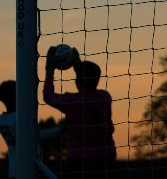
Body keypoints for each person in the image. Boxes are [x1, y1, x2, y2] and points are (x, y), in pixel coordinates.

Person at [43, 47, 116, 178]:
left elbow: (48, 96)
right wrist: (77, 64)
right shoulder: (105, 97)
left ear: (77, 80)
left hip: (80, 159)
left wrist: (50, 69)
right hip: (107, 157)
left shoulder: (72, 102)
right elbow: (86, 79)